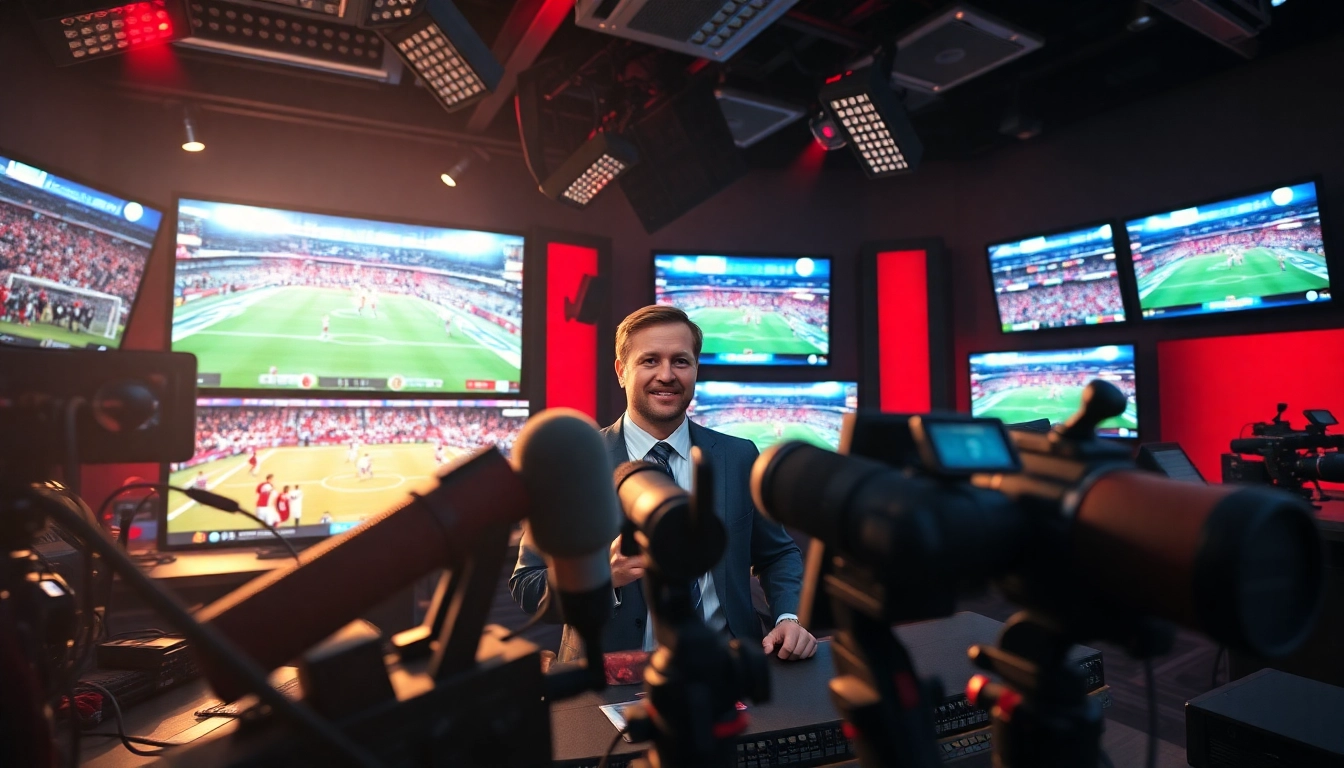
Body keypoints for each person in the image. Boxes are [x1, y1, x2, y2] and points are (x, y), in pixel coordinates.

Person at [510, 305, 816, 663]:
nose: (667, 375)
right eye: (650, 361)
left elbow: (778, 554)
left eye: (681, 362)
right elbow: (527, 584)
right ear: (622, 371)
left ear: (696, 370)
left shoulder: (739, 456)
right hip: (610, 681)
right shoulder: (574, 465)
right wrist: (600, 577)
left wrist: (787, 617)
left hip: (727, 668)